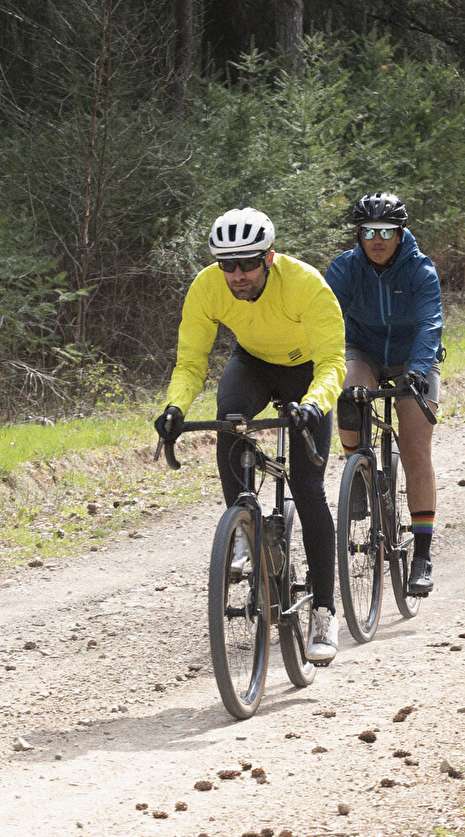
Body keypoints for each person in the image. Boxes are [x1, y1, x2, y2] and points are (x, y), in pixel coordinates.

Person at [155, 207, 347, 663]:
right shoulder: (207, 287)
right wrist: (175, 406)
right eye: (227, 265)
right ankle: (243, 527)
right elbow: (190, 362)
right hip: (255, 364)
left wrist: (315, 404)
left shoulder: (305, 284)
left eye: (246, 264)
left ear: (269, 259)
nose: (236, 275)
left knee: (307, 486)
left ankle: (324, 611)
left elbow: (333, 362)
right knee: (230, 418)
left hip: (308, 375)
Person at [324, 192, 444, 596]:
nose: (377, 240)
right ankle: (357, 471)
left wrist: (417, 371)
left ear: (400, 234)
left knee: (414, 450)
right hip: (363, 351)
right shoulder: (343, 269)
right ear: (358, 235)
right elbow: (323, 320)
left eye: (387, 232)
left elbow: (431, 324)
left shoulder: (420, 270)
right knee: (348, 395)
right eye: (369, 232)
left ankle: (423, 555)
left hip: (415, 357)